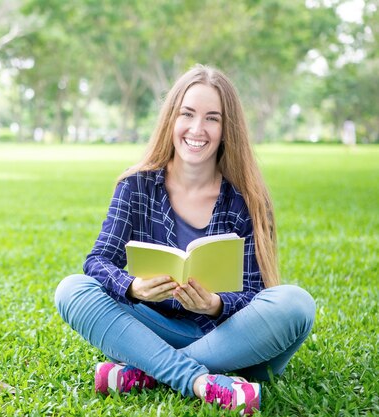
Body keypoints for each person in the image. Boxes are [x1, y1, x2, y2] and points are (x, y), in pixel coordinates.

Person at [54, 64, 315, 415]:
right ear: (171, 120)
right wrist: (133, 287)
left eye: (212, 118)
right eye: (187, 114)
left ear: (227, 130)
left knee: (296, 303)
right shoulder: (136, 186)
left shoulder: (246, 199)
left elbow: (256, 293)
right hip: (153, 329)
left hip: (232, 340)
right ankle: (200, 381)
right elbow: (98, 261)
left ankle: (148, 373)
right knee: (72, 289)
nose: (197, 129)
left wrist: (214, 305)